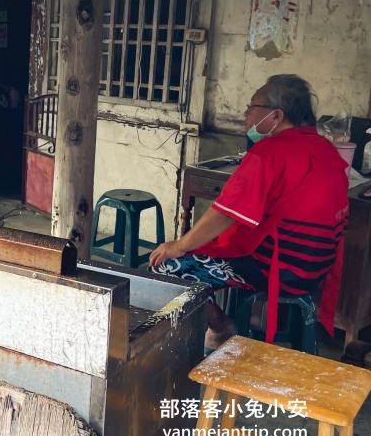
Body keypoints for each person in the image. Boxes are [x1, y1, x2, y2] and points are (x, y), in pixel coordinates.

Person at [149, 74, 350, 351]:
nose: (246, 113)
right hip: (315, 269)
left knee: (167, 268)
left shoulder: (270, 151)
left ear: (276, 116)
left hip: (280, 269)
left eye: (253, 106)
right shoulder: (325, 148)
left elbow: (225, 213)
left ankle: (221, 328)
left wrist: (179, 245)